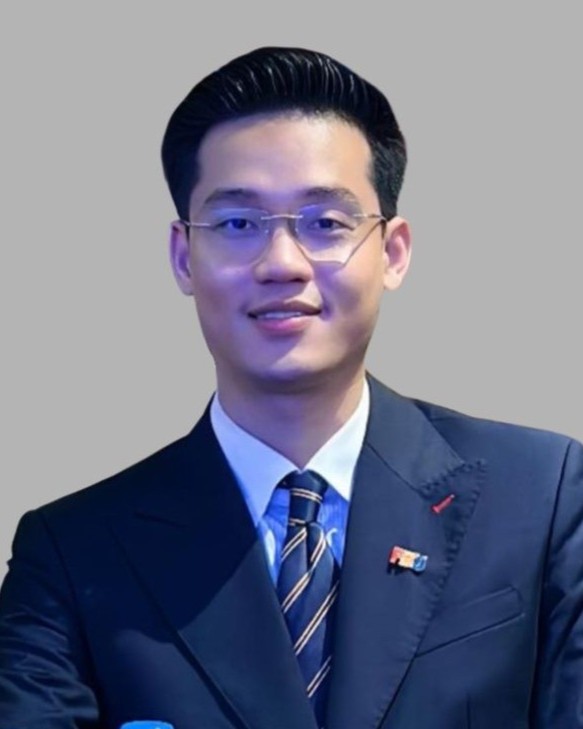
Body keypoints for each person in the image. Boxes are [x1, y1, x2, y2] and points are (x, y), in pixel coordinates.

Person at [0, 46, 582, 729]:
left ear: (392, 252)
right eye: (237, 224)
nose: (282, 263)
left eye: (325, 223)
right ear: (184, 256)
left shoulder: (541, 495)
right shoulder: (75, 552)